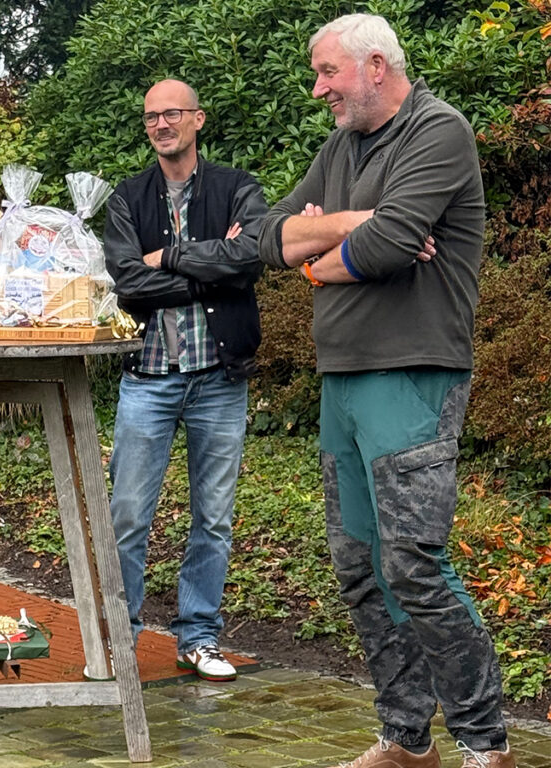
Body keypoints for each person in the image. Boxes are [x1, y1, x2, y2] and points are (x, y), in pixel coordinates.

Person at [259, 14, 514, 768]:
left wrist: (319, 257)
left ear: (375, 65)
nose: (318, 89)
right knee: (360, 565)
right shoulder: (340, 148)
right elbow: (269, 234)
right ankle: (407, 741)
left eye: (327, 72)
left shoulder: (439, 130)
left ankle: (487, 746)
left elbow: (394, 242)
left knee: (413, 563)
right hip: (342, 377)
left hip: (412, 372)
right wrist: (347, 228)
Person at [102, 79, 266, 682]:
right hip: (148, 378)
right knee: (126, 516)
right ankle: (120, 639)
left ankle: (199, 636)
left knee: (214, 518)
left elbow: (249, 260)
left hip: (219, 378)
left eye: (171, 113)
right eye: (151, 116)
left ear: (198, 119)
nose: (161, 124)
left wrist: (168, 258)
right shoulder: (126, 198)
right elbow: (125, 282)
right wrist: (209, 267)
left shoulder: (238, 188)